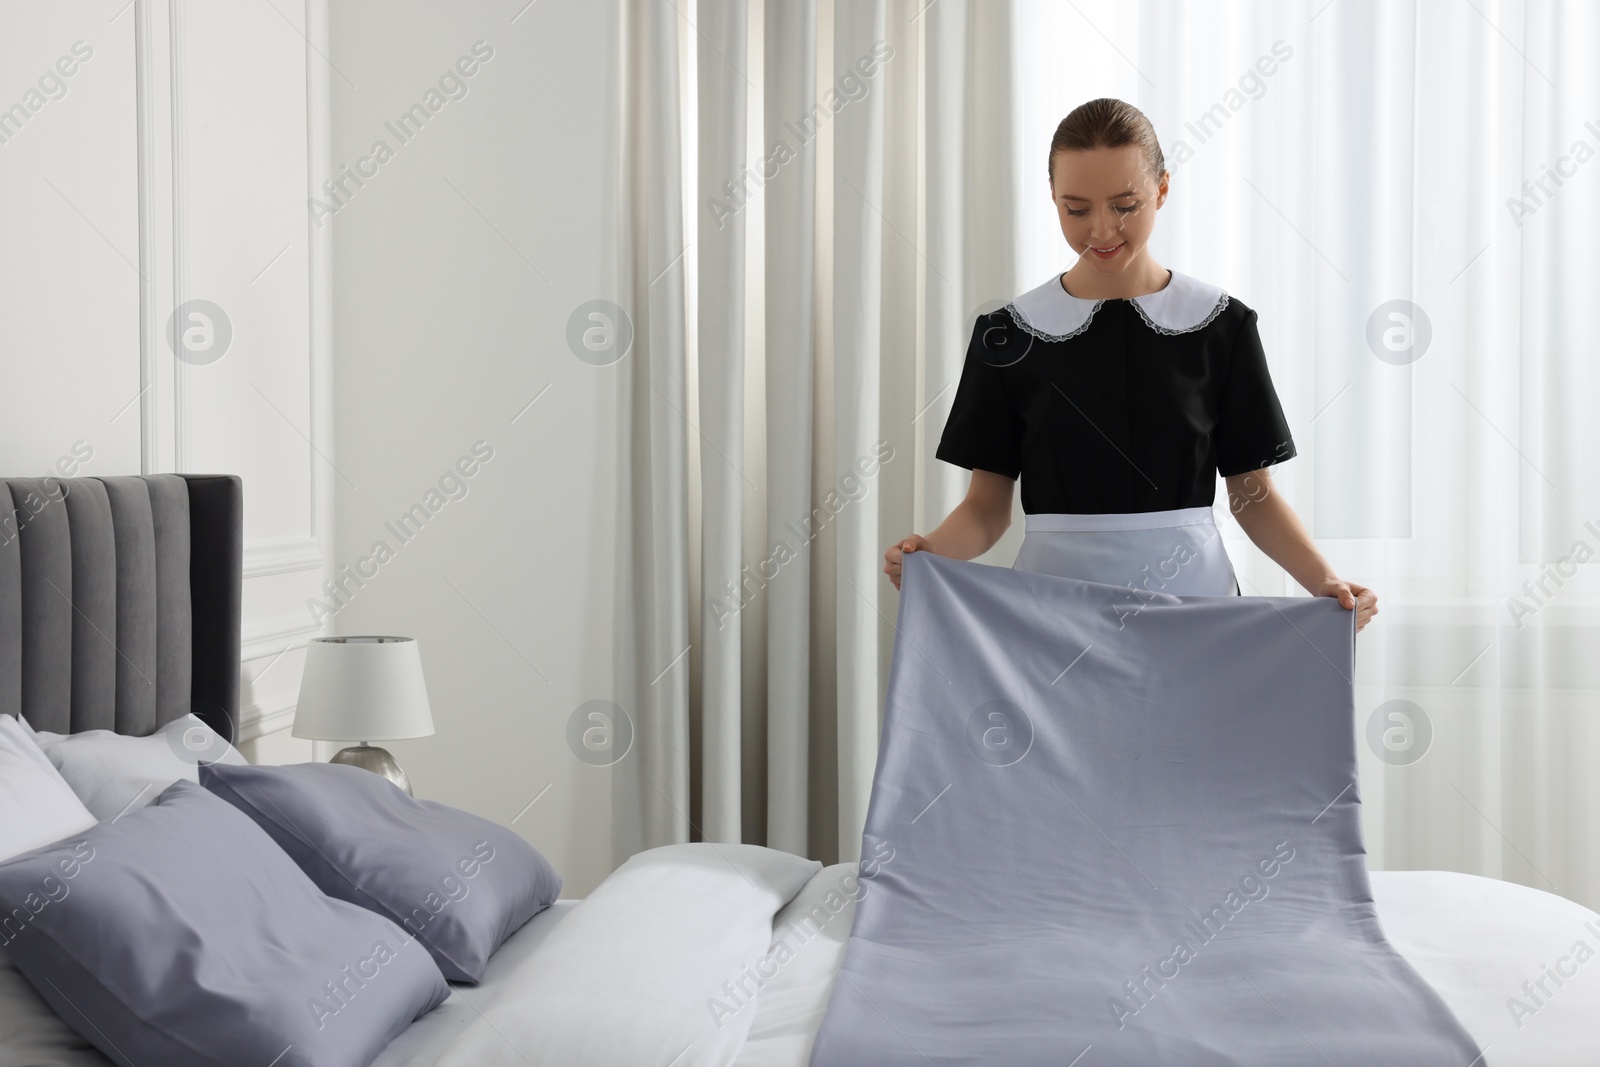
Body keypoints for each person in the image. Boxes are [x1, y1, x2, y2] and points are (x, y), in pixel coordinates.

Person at [884, 97, 1378, 632]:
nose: (1101, 230)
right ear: (1052, 197)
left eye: (1125, 205)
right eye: (1076, 209)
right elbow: (986, 508)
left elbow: (1253, 497)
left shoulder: (1219, 326)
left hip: (1195, 611)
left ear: (1162, 189)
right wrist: (930, 553)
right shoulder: (1009, 334)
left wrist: (1323, 581)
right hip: (1052, 615)